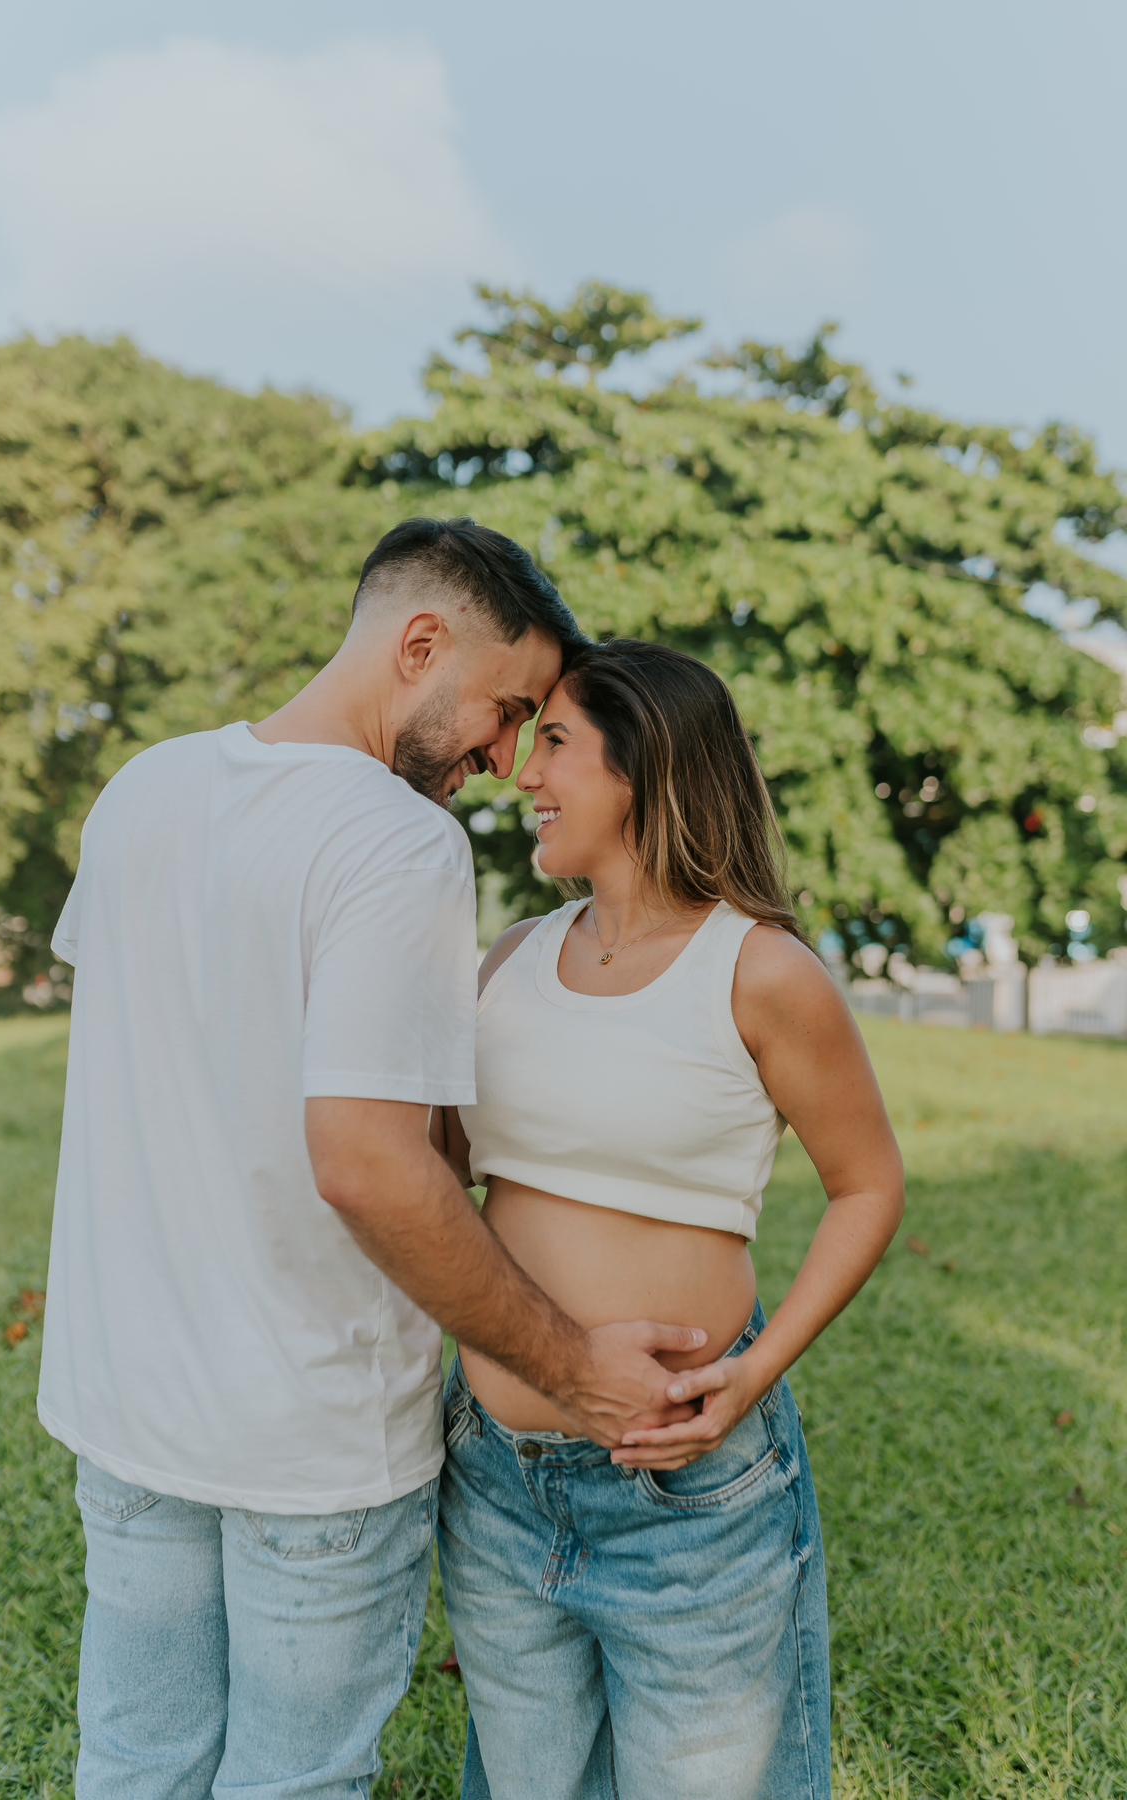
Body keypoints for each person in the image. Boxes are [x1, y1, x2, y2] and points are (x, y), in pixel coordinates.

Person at [37, 520, 707, 1800]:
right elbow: (368, 1165)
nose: (504, 758)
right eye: (505, 709)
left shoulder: (142, 789)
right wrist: (577, 1370)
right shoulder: (397, 841)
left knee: (133, 1762)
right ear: (419, 645)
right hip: (310, 1441)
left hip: (123, 1409)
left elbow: (160, 1055)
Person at [436, 639, 905, 1800]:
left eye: (555, 742)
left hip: (687, 1493)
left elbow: (868, 1187)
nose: (524, 773)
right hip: (495, 1479)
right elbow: (438, 1180)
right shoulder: (510, 960)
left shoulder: (760, 972)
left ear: (644, 765)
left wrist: (754, 1377)